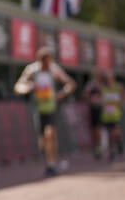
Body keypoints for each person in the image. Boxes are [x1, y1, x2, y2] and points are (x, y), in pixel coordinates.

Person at [13, 46, 77, 176]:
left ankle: (51, 164)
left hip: (52, 107)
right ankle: (48, 158)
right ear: (39, 60)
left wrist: (61, 94)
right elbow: (18, 86)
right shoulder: (32, 70)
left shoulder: (54, 69)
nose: (47, 65)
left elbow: (70, 84)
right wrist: (28, 88)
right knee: (43, 140)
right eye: (44, 62)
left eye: (48, 62)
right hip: (38, 108)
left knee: (51, 134)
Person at [99, 69, 125, 162]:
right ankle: (111, 152)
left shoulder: (118, 87)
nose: (108, 80)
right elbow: (98, 99)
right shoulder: (102, 88)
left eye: (109, 78)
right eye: (106, 78)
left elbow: (124, 97)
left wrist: (118, 102)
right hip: (106, 115)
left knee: (116, 133)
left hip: (116, 114)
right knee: (110, 135)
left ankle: (119, 144)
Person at [83, 69, 105, 159]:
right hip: (94, 108)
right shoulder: (91, 85)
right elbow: (85, 94)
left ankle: (100, 146)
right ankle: (97, 146)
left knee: (99, 128)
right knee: (95, 128)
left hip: (102, 108)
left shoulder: (102, 85)